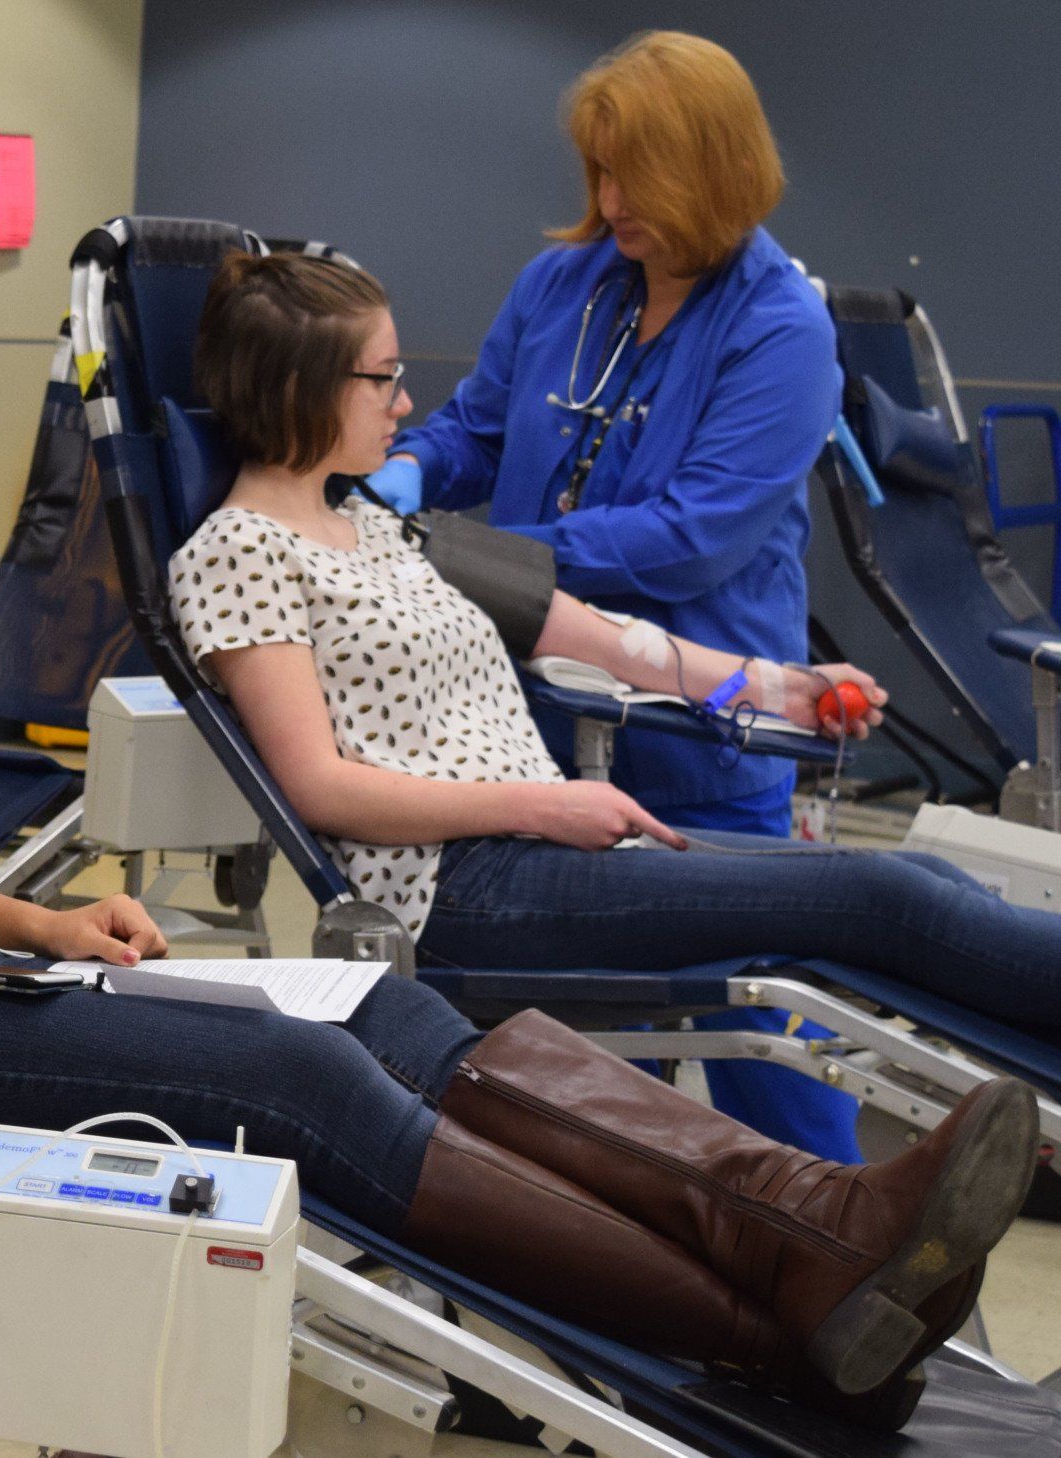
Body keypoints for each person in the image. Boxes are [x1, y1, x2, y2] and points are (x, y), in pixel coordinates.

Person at [0, 252, 1035, 1430]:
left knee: (380, 1013)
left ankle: (803, 1224)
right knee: (297, 1085)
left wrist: (36, 927)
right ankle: (764, 1320)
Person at [366, 32, 853, 1155]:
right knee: (574, 1055)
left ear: (716, 168)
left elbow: (689, 539)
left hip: (700, 740)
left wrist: (482, 560)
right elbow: (476, 430)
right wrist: (406, 477)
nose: (613, 199)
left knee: (751, 1026)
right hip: (535, 734)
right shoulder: (564, 284)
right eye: (598, 170)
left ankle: (855, 1251)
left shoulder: (781, 326)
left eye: (639, 172)